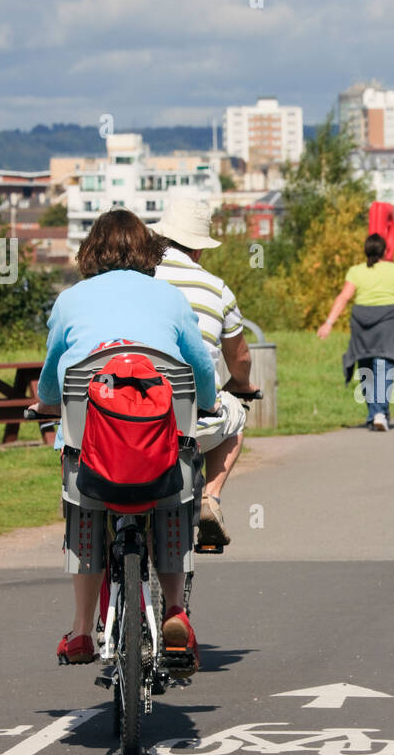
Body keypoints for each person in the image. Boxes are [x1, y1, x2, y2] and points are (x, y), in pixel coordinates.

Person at [30, 209, 218, 667]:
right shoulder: (170, 297)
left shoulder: (70, 300)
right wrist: (208, 401)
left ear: (91, 251)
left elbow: (53, 382)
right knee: (176, 497)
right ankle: (175, 610)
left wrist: (48, 405)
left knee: (83, 507)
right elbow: (200, 369)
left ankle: (79, 631)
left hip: (94, 458)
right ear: (147, 251)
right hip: (160, 453)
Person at [150, 199, 258, 548]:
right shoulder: (216, 288)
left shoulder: (141, 280)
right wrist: (241, 384)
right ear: (198, 250)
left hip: (131, 407)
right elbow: (238, 356)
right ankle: (210, 498)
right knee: (236, 416)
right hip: (192, 415)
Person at [317, 233, 394, 431]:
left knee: (366, 369)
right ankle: (379, 413)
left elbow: (344, 297)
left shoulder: (355, 271)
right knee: (383, 366)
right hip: (388, 323)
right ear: (385, 251)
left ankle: (375, 414)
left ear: (366, 250)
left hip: (362, 324)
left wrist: (328, 323)